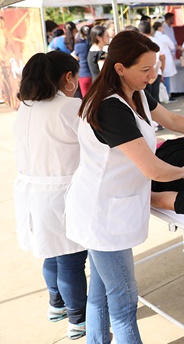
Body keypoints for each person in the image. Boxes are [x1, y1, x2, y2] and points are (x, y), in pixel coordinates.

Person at [64, 30, 184, 344]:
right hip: (102, 214)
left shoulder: (136, 92)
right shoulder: (109, 107)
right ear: (119, 68)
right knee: (124, 304)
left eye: (154, 67)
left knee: (101, 294)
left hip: (111, 208)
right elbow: (152, 167)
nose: (153, 75)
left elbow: (169, 118)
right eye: (145, 69)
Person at [14, 51, 88, 340]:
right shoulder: (69, 107)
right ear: (68, 78)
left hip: (33, 194)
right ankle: (78, 320)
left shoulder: (26, 105)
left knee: (51, 254)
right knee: (70, 259)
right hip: (61, 194)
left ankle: (56, 304)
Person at [138, 21, 166, 108]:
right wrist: (162, 72)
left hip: (143, 74)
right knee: (155, 99)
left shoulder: (139, 42)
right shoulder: (156, 41)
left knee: (145, 100)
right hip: (157, 72)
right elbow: (163, 58)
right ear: (150, 30)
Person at [153, 21, 178, 101]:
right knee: (166, 78)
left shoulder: (154, 37)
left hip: (156, 60)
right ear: (160, 27)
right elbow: (172, 46)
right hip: (164, 58)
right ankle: (167, 96)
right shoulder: (164, 37)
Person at [72, 25, 92, 98]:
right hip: (94, 73)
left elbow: (76, 57)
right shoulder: (93, 44)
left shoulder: (79, 45)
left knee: (86, 97)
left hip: (83, 73)